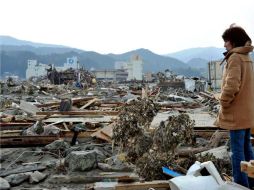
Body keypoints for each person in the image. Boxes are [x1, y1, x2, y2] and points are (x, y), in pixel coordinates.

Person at [214, 24, 254, 188]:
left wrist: (223, 101)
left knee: (236, 151)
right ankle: (251, 182)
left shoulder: (235, 58)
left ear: (233, 41)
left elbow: (232, 86)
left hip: (236, 114)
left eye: (226, 41)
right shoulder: (247, 57)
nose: (224, 44)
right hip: (247, 112)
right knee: (247, 149)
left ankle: (240, 184)